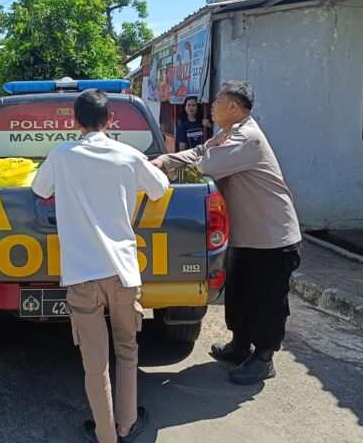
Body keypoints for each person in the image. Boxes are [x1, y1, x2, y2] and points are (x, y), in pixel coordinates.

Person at [32, 89, 169, 443]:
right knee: (127, 350)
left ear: (74, 122)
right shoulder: (129, 155)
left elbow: (39, 188)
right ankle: (126, 425)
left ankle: (106, 435)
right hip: (124, 274)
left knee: (95, 364)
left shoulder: (61, 155)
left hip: (82, 278)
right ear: (111, 120)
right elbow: (160, 188)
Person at [152, 81, 302, 385]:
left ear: (233, 106)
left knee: (265, 301)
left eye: (217, 101)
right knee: (239, 295)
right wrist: (164, 160)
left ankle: (264, 359)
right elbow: (199, 151)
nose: (211, 106)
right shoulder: (227, 134)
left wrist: (170, 166)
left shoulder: (246, 138)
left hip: (271, 237)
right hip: (246, 236)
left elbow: (205, 164)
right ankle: (240, 346)